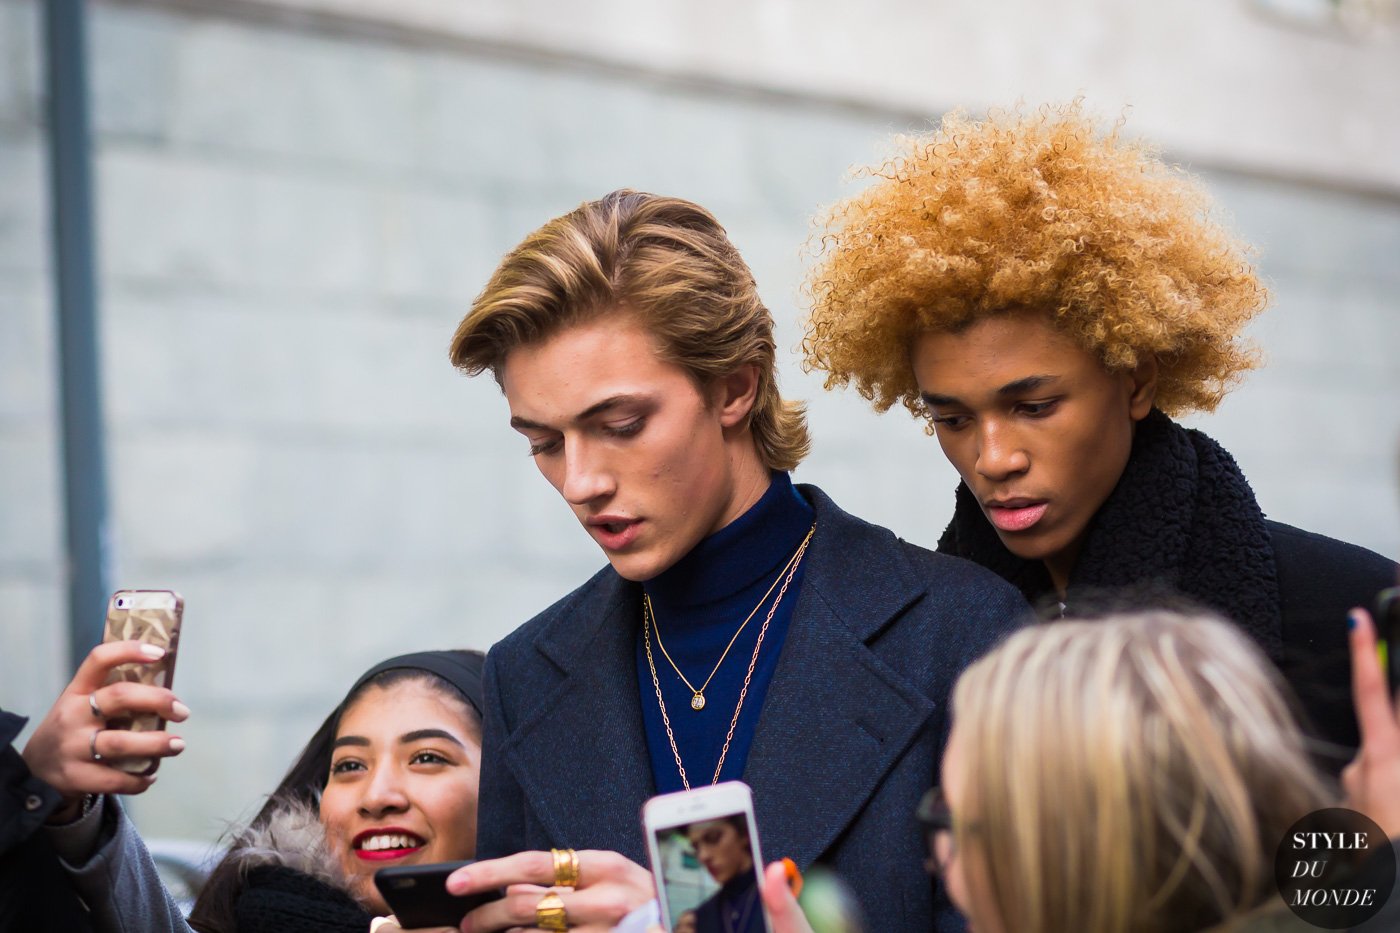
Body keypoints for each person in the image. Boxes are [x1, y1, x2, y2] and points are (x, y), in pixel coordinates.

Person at [443, 189, 1028, 932]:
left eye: (619, 424)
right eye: (544, 443)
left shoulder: (966, 633)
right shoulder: (525, 673)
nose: (580, 481)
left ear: (735, 387)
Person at [800, 102, 1396, 760]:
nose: (993, 458)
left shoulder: (1352, 618)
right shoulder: (917, 648)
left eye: (1034, 406)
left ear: (1136, 379)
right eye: (953, 419)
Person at [19, 645, 485, 933]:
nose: (377, 795)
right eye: (349, 765)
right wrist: (59, 802)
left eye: (426, 758)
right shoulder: (259, 912)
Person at [686, 817, 762, 933]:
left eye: (713, 838)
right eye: (696, 848)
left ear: (744, 833)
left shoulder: (781, 892)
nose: (702, 856)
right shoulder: (703, 915)